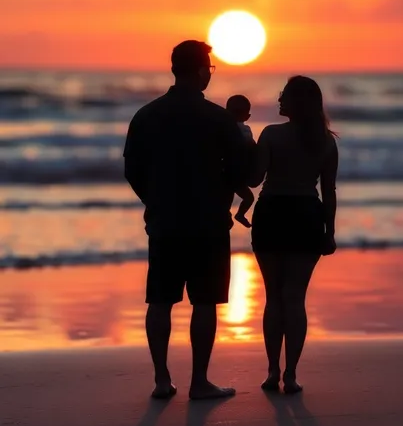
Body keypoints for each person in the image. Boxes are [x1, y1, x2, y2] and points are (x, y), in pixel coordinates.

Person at [123, 40, 246, 401]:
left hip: (165, 221)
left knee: (160, 300)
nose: (210, 73)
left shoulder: (147, 115)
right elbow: (241, 171)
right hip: (208, 222)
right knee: (205, 302)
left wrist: (155, 200)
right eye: (208, 67)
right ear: (197, 71)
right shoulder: (219, 119)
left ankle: (162, 380)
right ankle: (199, 382)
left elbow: (132, 169)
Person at [250, 76, 338, 395]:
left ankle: (273, 371)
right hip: (306, 216)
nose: (278, 99)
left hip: (272, 213)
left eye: (284, 95)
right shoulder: (326, 141)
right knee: (294, 297)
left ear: (296, 101)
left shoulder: (271, 135)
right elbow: (328, 192)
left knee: (273, 296)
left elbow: (255, 177)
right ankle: (291, 374)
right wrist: (330, 232)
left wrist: (238, 148)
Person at [226, 94, 255, 228]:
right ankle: (239, 214)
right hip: (238, 174)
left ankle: (231, 215)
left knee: (226, 199)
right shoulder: (245, 130)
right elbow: (252, 147)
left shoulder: (223, 127)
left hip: (228, 173)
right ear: (247, 116)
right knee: (249, 198)